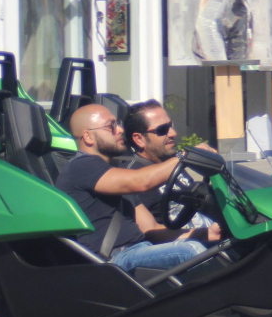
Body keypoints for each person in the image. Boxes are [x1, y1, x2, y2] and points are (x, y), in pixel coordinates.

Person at [56, 103, 216, 275]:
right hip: (114, 260)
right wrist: (188, 156)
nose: (119, 130)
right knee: (192, 251)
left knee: (217, 249)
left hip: (140, 250)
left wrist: (204, 233)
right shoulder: (81, 166)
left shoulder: (112, 174)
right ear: (88, 137)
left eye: (118, 123)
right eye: (111, 126)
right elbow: (141, 181)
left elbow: (151, 230)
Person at [120, 99, 218, 231]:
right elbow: (148, 231)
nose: (172, 133)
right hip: (187, 244)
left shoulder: (171, 160)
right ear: (139, 139)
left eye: (170, 125)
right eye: (163, 130)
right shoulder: (132, 175)